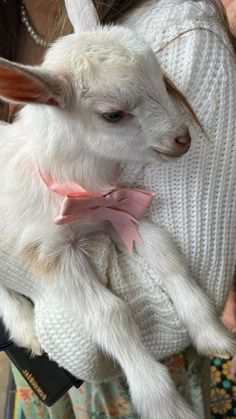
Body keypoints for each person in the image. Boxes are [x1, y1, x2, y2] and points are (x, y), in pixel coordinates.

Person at [0, 0, 236, 418]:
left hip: (137, 373)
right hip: (43, 372)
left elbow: (127, 223)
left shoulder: (183, 27)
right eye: (114, 114)